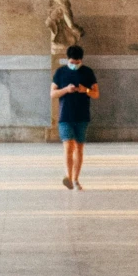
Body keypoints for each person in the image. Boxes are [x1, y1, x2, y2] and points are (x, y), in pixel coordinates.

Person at [52, 43, 99, 189]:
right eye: (72, 62)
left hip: (82, 115)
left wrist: (85, 90)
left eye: (77, 63)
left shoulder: (88, 72)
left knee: (79, 147)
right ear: (68, 60)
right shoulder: (60, 73)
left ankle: (76, 179)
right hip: (65, 115)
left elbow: (96, 94)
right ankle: (68, 176)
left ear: (81, 61)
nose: (74, 65)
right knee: (68, 146)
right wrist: (66, 89)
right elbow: (52, 93)